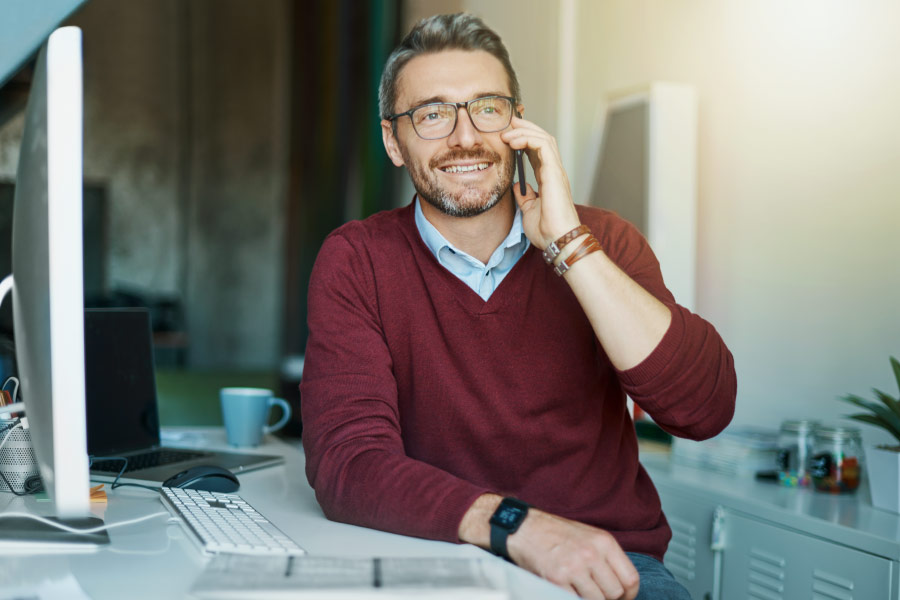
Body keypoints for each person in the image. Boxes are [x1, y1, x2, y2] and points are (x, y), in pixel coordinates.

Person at [300, 13, 736, 600]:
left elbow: (704, 411)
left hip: (607, 562)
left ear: (518, 121)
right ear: (392, 142)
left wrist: (570, 247)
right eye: (432, 114)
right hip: (436, 553)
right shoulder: (357, 259)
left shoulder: (603, 240)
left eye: (487, 107)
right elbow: (348, 464)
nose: (464, 137)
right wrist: (516, 525)